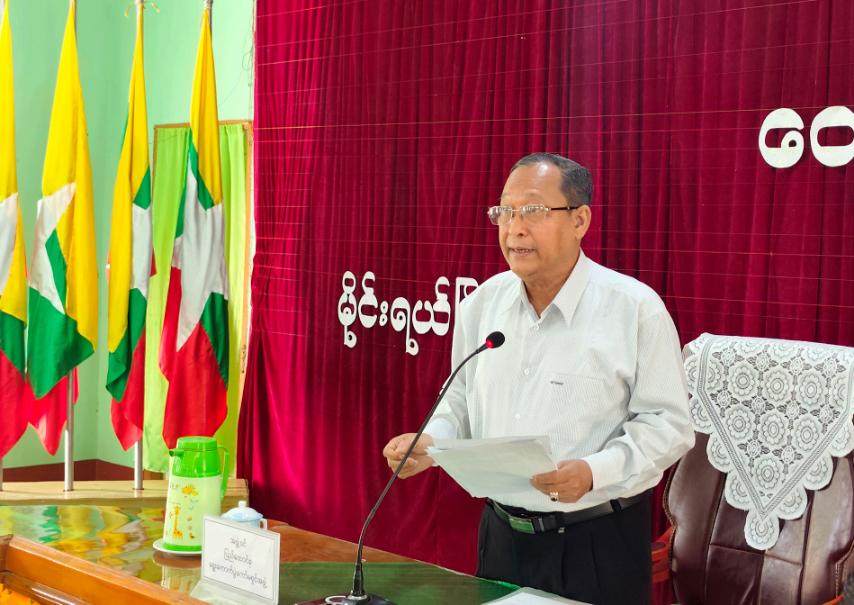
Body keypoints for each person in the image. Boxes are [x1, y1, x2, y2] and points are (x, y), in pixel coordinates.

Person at [382, 153, 695, 605]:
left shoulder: (634, 309)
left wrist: (594, 472)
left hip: (596, 542)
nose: (514, 229)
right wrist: (431, 443)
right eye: (505, 212)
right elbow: (460, 400)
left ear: (580, 220)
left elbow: (670, 425)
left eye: (532, 211)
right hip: (502, 538)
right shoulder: (481, 305)